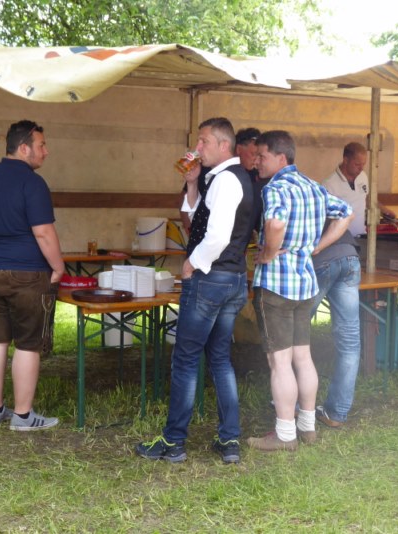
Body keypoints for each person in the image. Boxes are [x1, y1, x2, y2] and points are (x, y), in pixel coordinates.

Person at [136, 117, 253, 464]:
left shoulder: (227, 180)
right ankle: (229, 440)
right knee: (219, 358)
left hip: (211, 278)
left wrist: (192, 263)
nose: (197, 148)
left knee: (186, 359)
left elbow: (216, 236)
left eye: (203, 142)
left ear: (223, 145)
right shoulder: (224, 177)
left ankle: (174, 442)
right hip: (232, 279)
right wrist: (191, 183)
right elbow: (197, 215)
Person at [247, 130, 352, 451]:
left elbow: (275, 224)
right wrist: (317, 246)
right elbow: (345, 213)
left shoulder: (275, 188)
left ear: (281, 157)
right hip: (305, 283)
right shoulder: (313, 186)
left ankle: (285, 434)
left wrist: (268, 253)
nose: (256, 161)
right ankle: (307, 427)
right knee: (303, 358)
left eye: (262, 156)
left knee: (279, 363)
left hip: (276, 285)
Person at [0, 120, 65, 431]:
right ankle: (22, 416)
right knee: (27, 344)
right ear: (24, 148)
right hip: (27, 273)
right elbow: (43, 233)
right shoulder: (33, 184)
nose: (46, 152)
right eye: (41, 145)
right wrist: (58, 267)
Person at [311, 221, 361, 428]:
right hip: (350, 257)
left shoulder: (285, 198)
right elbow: (346, 215)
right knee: (350, 343)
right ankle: (336, 413)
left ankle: (293, 404)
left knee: (295, 334)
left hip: (319, 259)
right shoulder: (328, 200)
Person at [323, 142, 395, 237]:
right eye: (357, 164)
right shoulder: (329, 184)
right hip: (341, 240)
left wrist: (383, 210)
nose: (361, 168)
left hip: (362, 236)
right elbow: (326, 217)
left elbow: (365, 198)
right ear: (345, 160)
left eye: (363, 164)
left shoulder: (363, 176)